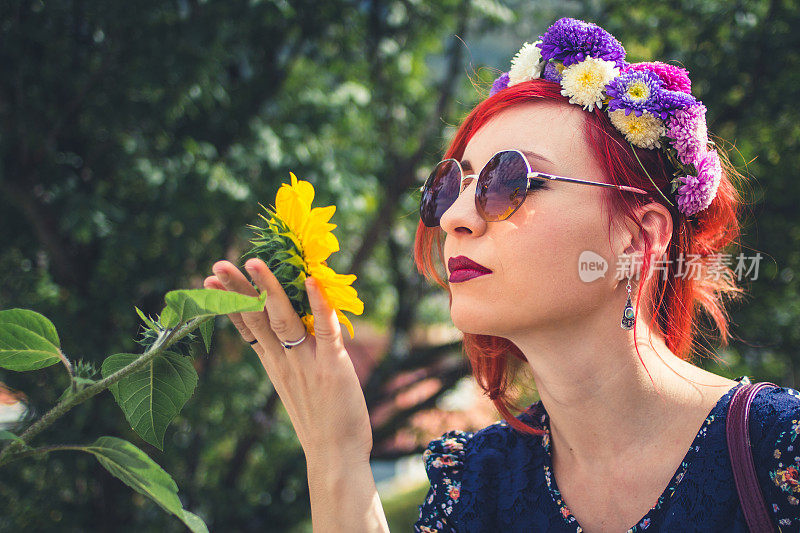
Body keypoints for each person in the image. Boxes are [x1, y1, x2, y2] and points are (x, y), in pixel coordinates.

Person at [205, 16, 800, 533]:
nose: (456, 217)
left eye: (510, 181)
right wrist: (334, 457)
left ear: (639, 235)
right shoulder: (472, 484)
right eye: (451, 185)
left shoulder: (779, 452)